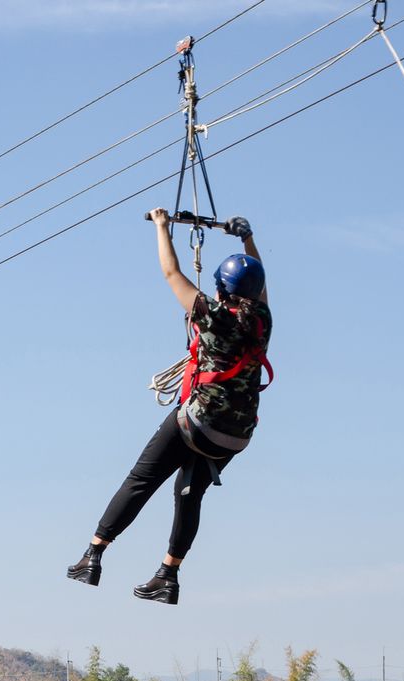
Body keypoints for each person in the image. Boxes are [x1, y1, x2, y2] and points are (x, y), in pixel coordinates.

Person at [67, 207, 271, 605]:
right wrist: (247, 238)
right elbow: (258, 280)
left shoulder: (213, 316)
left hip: (198, 423)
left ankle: (93, 555)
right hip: (236, 435)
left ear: (222, 290)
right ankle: (168, 575)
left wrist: (162, 227)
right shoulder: (262, 319)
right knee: (189, 495)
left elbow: (171, 274)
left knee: (141, 479)